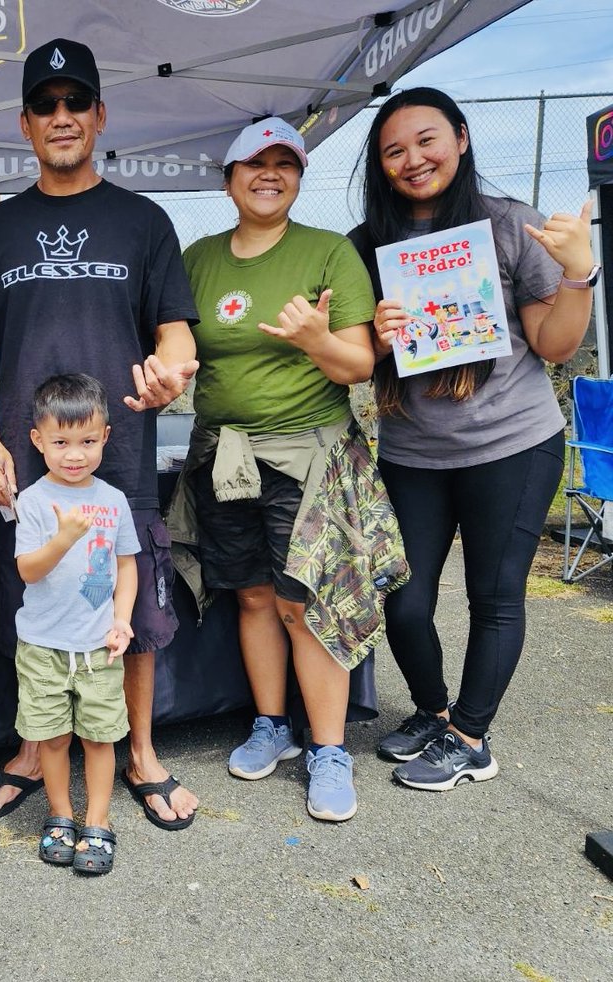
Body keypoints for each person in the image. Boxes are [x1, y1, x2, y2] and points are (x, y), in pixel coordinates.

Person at [0, 37, 202, 830]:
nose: (61, 117)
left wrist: (173, 371)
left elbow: (176, 337)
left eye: (75, 103)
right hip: (28, 465)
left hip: (117, 452)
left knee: (124, 608)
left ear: (100, 115)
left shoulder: (143, 220)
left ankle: (138, 752)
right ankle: (33, 751)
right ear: (24, 124)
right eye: (44, 105)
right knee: (28, 597)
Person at [348, 87, 596, 790]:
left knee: (494, 596)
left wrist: (579, 271)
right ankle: (433, 710)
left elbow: (555, 343)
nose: (413, 159)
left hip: (512, 445)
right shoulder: (366, 245)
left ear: (460, 138)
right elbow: (355, 354)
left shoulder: (509, 224)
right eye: (394, 150)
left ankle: (470, 737)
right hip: (413, 452)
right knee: (403, 598)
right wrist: (373, 334)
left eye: (427, 140)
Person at [176, 117, 379, 822]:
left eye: (284, 163)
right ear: (228, 178)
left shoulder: (328, 253)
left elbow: (359, 363)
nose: (270, 173)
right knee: (252, 596)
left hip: (307, 455)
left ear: (298, 176)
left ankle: (329, 748)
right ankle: (272, 726)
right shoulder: (198, 258)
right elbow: (173, 347)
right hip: (224, 456)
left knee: (303, 602)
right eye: (254, 163)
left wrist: (320, 339)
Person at [16, 374, 138, 875]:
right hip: (43, 645)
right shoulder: (33, 501)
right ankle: (61, 815)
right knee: (52, 738)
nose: (75, 454)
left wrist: (123, 620)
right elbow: (27, 569)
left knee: (100, 737)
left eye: (87, 442)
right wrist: (63, 538)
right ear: (37, 440)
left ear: (105, 437)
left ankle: (99, 821)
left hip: (97, 647)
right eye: (61, 442)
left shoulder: (113, 500)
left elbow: (126, 565)